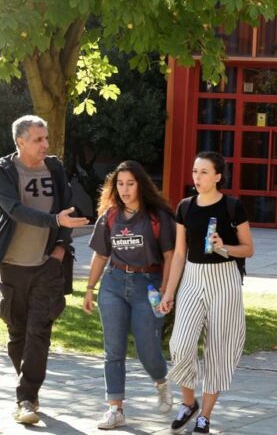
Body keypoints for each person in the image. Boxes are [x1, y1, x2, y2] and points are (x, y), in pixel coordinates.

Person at [0, 115, 89, 424]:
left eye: (46, 138)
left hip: (47, 264)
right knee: (17, 334)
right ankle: (29, 389)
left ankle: (26, 397)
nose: (45, 144)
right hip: (12, 265)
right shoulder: (4, 171)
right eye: (38, 139)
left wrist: (60, 247)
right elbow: (15, 210)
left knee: (39, 331)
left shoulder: (54, 168)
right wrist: (55, 221)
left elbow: (67, 209)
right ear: (20, 141)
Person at [160, 151, 254, 434]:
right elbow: (179, 254)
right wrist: (169, 293)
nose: (197, 177)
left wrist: (224, 247)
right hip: (192, 276)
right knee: (180, 344)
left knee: (219, 347)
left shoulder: (233, 207)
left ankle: (205, 416)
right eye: (194, 171)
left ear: (217, 177)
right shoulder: (185, 207)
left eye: (203, 172)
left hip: (224, 279)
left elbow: (248, 249)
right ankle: (189, 403)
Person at [82, 160, 176, 429]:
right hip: (113, 283)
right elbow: (101, 255)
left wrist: (166, 289)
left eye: (130, 184)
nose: (124, 189)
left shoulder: (157, 217)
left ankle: (161, 380)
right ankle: (115, 409)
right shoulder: (110, 216)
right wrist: (90, 288)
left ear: (140, 185)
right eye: (120, 184)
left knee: (147, 347)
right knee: (113, 349)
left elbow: (170, 256)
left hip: (148, 285)